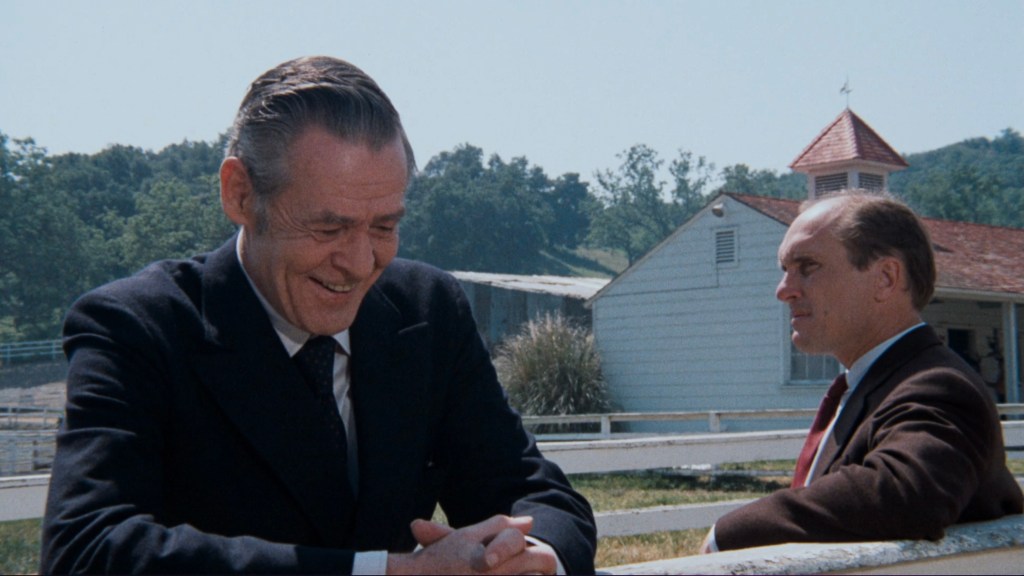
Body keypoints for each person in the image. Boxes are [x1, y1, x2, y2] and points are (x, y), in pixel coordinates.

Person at [40, 56, 596, 574]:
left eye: (384, 227)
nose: (358, 264)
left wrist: (533, 555)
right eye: (327, 228)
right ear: (239, 195)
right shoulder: (134, 327)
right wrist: (379, 572)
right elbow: (85, 549)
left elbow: (534, 494)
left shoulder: (428, 310)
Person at [702, 191, 1022, 552]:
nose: (784, 290)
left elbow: (906, 494)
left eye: (808, 267)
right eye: (785, 270)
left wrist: (725, 535)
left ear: (885, 278)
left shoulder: (940, 387)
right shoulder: (881, 382)